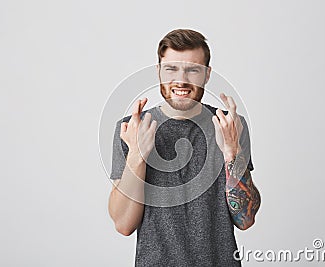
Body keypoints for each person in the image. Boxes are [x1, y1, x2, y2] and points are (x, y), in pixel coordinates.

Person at [108, 29, 261, 266]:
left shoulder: (231, 127)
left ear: (207, 75)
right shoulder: (131, 129)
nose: (181, 80)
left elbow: (246, 219)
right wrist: (137, 156)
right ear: (158, 71)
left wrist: (232, 152)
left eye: (193, 70)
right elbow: (123, 224)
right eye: (171, 69)